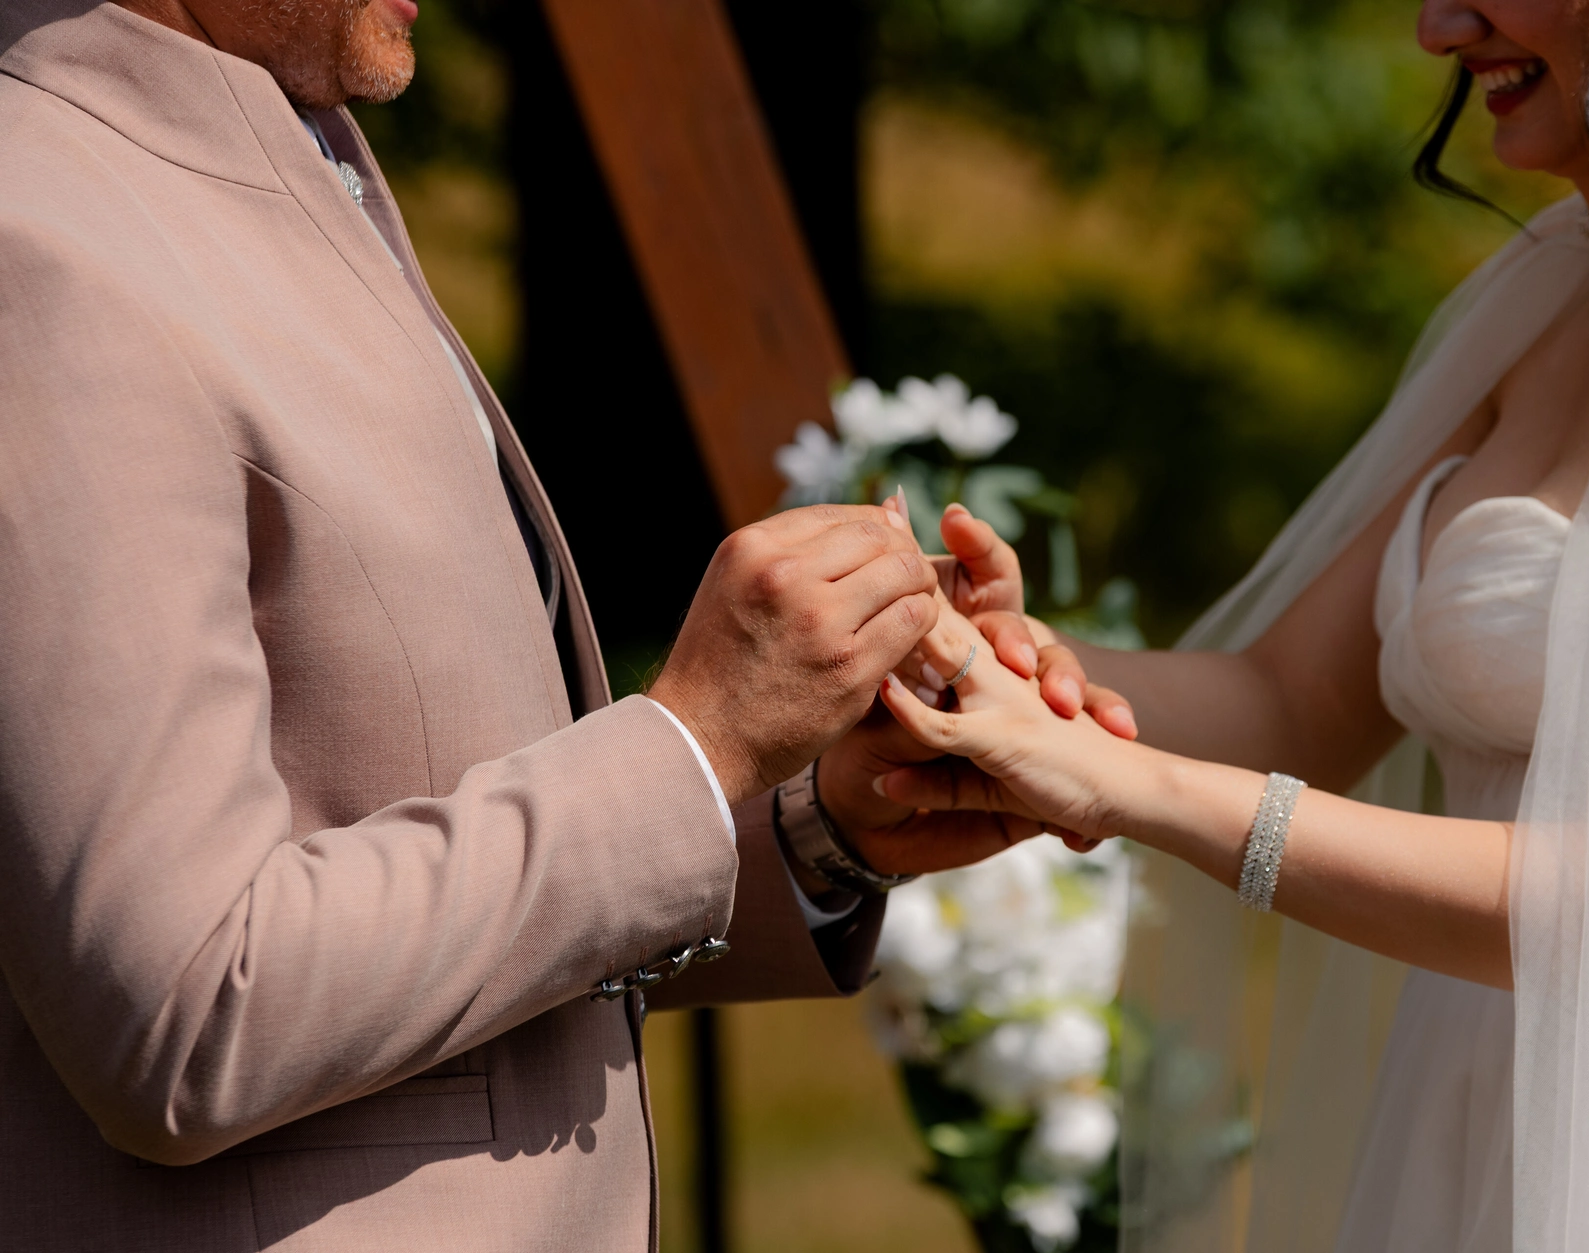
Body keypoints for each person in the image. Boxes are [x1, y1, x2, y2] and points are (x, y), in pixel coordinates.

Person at [0, 0, 1131, 1248]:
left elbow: (425, 872)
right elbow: (186, 1007)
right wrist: (686, 748)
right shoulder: (44, 247)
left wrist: (820, 829)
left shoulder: (276, 149)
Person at [880, 0, 1589, 1248]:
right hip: (1462, 1127)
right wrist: (989, 658)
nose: (1436, 25)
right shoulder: (1552, 286)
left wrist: (1141, 793)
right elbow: (1285, 701)